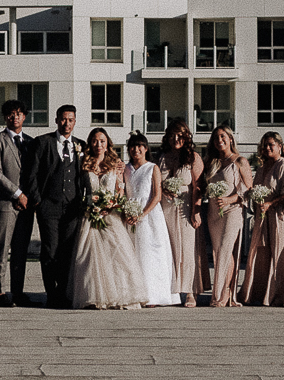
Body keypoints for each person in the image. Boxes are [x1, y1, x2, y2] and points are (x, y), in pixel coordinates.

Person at [69, 129, 146, 309]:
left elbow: (120, 191)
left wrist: (111, 205)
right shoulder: (84, 163)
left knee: (118, 257)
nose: (98, 145)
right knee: (89, 259)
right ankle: (93, 296)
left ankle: (121, 295)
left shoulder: (116, 164)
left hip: (111, 216)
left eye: (102, 141)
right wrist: (90, 205)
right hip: (91, 215)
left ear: (107, 143)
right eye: (95, 141)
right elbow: (80, 191)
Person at [31, 104, 90, 308]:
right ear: (56, 120)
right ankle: (51, 293)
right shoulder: (43, 142)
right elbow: (32, 175)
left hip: (72, 209)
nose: (67, 123)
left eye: (71, 120)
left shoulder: (81, 145)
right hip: (48, 206)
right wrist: (38, 200)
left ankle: (64, 292)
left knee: (67, 251)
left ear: (75, 121)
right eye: (63, 119)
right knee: (50, 250)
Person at [0, 100, 34, 305]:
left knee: (21, 251)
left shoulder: (30, 142)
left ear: (24, 117)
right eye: (11, 114)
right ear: (5, 117)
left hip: (26, 205)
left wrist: (27, 197)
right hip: (4, 203)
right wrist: (17, 193)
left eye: (19, 114)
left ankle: (18, 293)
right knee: (1, 249)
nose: (15, 117)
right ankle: (0, 293)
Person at [242, 131, 284, 306]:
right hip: (263, 216)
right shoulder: (262, 168)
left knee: (281, 253)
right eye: (265, 145)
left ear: (280, 146)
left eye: (271, 145)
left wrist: (271, 203)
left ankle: (282, 293)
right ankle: (261, 292)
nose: (267, 148)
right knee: (261, 253)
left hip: (281, 216)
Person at [199, 125, 253, 306]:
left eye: (223, 136)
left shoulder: (240, 161)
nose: (219, 140)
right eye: (216, 138)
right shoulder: (211, 162)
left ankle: (221, 296)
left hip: (233, 211)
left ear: (231, 138)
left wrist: (230, 199)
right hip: (214, 213)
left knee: (224, 248)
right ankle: (227, 291)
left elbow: (249, 190)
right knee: (220, 252)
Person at [125, 133, 181, 305]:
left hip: (149, 216)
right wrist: (129, 213)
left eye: (140, 145)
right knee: (132, 255)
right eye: (133, 146)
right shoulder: (126, 168)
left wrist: (142, 214)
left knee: (150, 254)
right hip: (130, 215)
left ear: (146, 148)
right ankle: (134, 293)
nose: (136, 149)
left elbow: (157, 196)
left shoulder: (152, 168)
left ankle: (153, 295)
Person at [156, 120, 204, 304]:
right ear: (167, 137)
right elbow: (155, 182)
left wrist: (196, 211)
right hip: (166, 208)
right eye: (172, 135)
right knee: (170, 248)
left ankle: (190, 291)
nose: (176, 139)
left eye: (180, 136)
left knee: (187, 249)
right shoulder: (161, 157)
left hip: (185, 208)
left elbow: (199, 186)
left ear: (186, 137)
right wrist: (164, 189)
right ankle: (172, 290)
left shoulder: (193, 157)